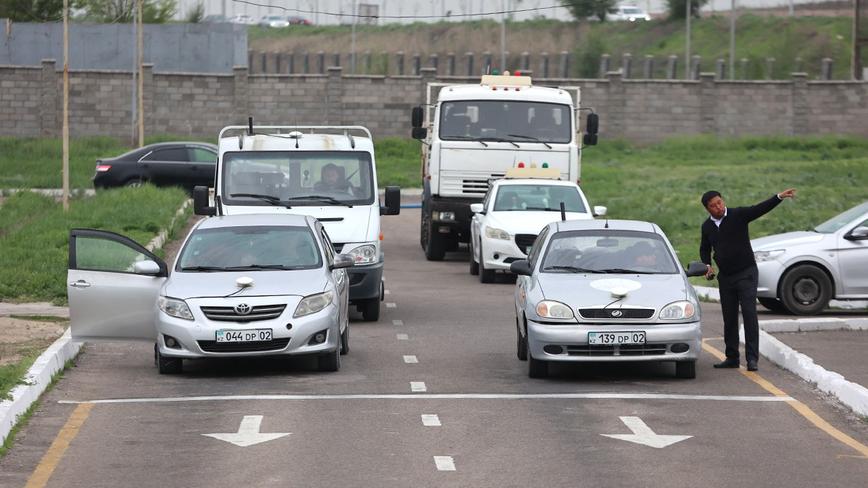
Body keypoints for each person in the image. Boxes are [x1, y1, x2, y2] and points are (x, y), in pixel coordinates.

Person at [700, 188, 796, 372]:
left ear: (723, 200)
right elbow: (705, 248)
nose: (718, 207)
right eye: (713, 206)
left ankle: (752, 359)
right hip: (726, 278)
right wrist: (707, 265)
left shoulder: (739, 215)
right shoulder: (707, 227)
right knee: (729, 318)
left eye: (719, 202)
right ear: (708, 209)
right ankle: (731, 357)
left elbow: (760, 208)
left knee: (749, 314)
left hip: (746, 273)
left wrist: (778, 197)